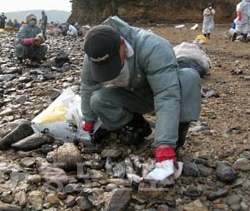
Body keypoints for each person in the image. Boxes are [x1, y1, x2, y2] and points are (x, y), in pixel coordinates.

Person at [81, 16, 201, 167]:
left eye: (112, 63)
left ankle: (175, 138)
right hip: (133, 96)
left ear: (122, 44)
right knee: (97, 99)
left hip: (161, 91)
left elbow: (166, 95)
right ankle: (137, 126)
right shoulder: (95, 50)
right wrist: (88, 120)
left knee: (189, 78)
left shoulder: (152, 47)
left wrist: (165, 143)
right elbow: (88, 84)